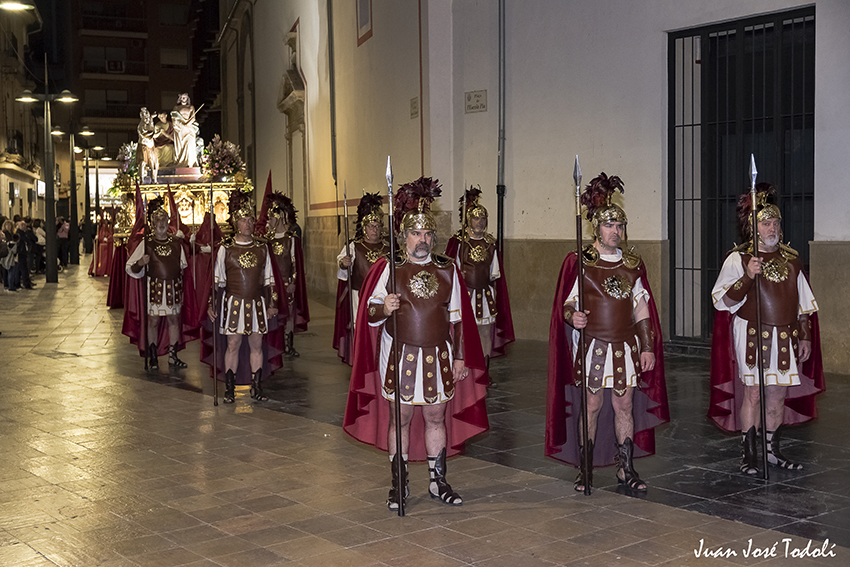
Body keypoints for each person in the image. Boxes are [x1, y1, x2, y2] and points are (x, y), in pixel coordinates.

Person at [343, 177, 488, 511]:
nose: (421, 240)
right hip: (400, 354)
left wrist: (461, 357)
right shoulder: (388, 268)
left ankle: (438, 481)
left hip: (439, 354)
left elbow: (458, 318)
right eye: (414, 233)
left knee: (436, 416)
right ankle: (400, 482)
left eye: (426, 234)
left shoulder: (448, 269)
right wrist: (385, 306)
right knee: (402, 418)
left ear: (432, 237)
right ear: (403, 236)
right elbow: (370, 312)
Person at [546, 172, 668, 493]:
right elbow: (567, 305)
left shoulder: (632, 263)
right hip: (593, 346)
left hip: (625, 347)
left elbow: (642, 308)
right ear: (596, 228)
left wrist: (647, 346)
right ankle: (584, 468)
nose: (616, 231)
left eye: (620, 226)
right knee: (591, 405)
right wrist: (574, 317)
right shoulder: (580, 262)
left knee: (624, 405)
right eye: (610, 226)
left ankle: (625, 468)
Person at [709, 183, 824, 475]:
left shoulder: (791, 259)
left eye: (775, 222)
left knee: (777, 394)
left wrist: (806, 335)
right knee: (753, 393)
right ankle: (749, 453)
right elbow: (723, 301)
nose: (771, 228)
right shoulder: (740, 259)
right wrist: (748, 276)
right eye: (765, 222)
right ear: (754, 226)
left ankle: (771, 451)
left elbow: (804, 303)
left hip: (785, 335)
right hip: (752, 334)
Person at [207, 190, 279, 403]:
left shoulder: (262, 247)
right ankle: (230, 389)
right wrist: (212, 304)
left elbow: (269, 279)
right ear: (236, 223)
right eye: (243, 220)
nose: (248, 224)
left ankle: (256, 387)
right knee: (233, 344)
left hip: (257, 303)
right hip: (233, 303)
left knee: (256, 344)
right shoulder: (226, 249)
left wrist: (272, 303)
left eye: (250, 220)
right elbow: (217, 281)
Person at [446, 187, 515, 365]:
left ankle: (484, 369)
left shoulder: (490, 243)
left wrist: (496, 296)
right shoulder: (460, 242)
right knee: (464, 331)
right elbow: (452, 271)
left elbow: (495, 275)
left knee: (485, 332)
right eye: (476, 218)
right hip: (465, 294)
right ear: (469, 220)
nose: (480, 222)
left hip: (485, 295)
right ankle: (465, 365)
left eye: (483, 218)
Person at [125, 197, 189, 370]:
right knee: (153, 321)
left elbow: (183, 266)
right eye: (158, 220)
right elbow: (130, 267)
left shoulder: (176, 243)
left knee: (174, 320)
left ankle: (173, 355)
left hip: (174, 288)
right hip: (154, 289)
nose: (161, 223)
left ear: (168, 222)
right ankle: (153, 355)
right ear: (152, 223)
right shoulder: (147, 243)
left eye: (164, 219)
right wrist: (141, 263)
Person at [333, 192, 390, 364]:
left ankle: (379, 359)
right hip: (359, 295)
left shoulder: (388, 248)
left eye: (377, 226)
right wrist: (344, 263)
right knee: (361, 328)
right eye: (371, 226)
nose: (374, 229)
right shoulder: (354, 246)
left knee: (381, 327)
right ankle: (361, 361)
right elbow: (341, 267)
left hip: (382, 296)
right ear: (364, 228)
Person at [254, 181, 309, 357]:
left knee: (289, 314)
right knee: (271, 312)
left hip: (286, 282)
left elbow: (294, 262)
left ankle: (288, 344)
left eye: (271, 217)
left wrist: (293, 281)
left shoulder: (290, 238)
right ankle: (272, 342)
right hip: (270, 283)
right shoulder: (266, 239)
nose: (268, 220)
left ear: (279, 217)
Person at [171, 93, 200, 168]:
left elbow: (193, 118)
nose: (184, 99)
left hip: (189, 128)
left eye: (185, 97)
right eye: (182, 97)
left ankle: (190, 162)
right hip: (180, 127)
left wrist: (187, 124)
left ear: (187, 98)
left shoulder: (191, 107)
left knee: (190, 144)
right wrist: (180, 124)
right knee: (181, 145)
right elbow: (174, 117)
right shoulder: (176, 107)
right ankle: (181, 162)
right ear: (180, 98)